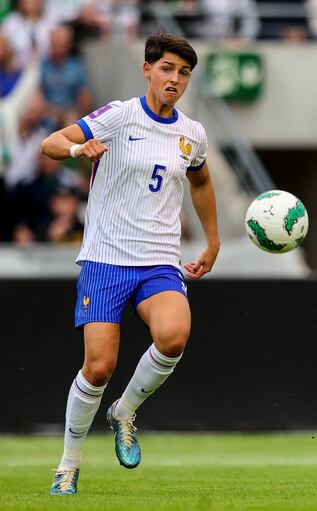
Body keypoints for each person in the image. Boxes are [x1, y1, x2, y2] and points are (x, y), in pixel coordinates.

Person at [40, 33, 220, 495]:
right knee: (98, 367)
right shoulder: (119, 116)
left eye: (183, 73)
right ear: (147, 70)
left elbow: (200, 182)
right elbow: (52, 143)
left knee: (174, 336)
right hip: (105, 259)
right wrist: (82, 150)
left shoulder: (192, 134)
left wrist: (213, 241)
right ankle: (68, 462)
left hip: (159, 260)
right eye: (166, 69)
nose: (174, 79)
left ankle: (125, 410)